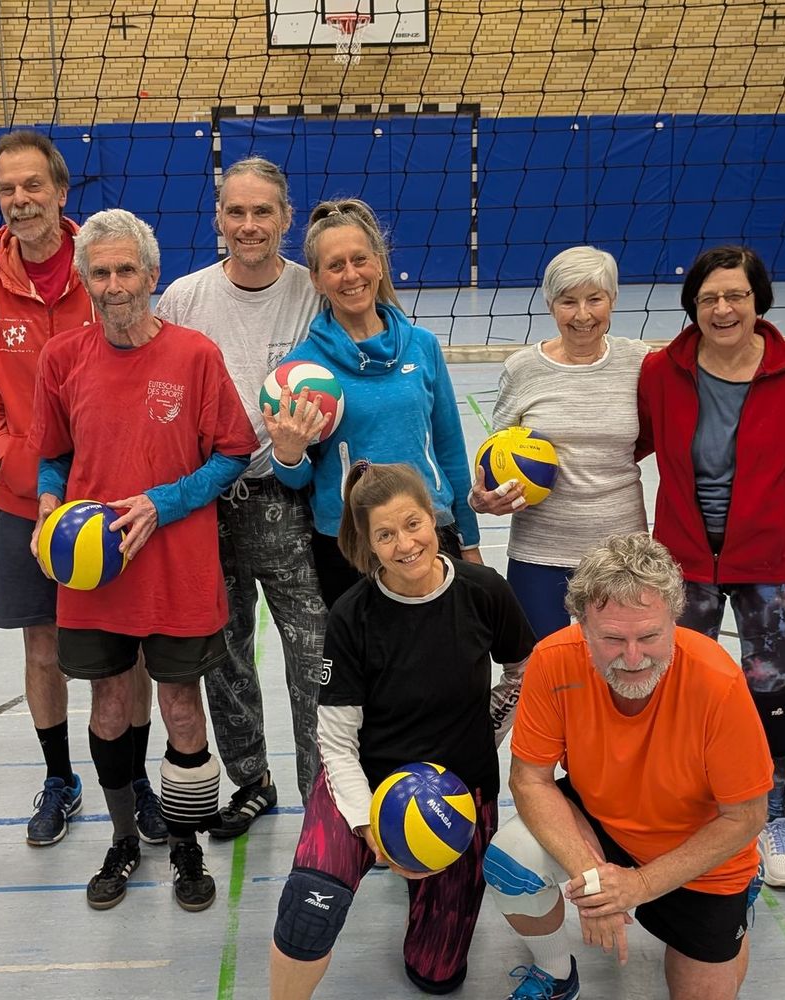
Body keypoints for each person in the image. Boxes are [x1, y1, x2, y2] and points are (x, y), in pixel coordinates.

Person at [31, 208, 256, 912]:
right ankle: (125, 839)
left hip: (175, 563)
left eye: (127, 269)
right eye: (99, 272)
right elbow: (54, 453)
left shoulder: (194, 355)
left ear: (152, 276)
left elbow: (233, 453)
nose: (114, 283)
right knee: (108, 702)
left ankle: (186, 845)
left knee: (182, 705)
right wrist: (46, 502)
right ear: (84, 281)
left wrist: (162, 501)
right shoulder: (62, 359)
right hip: (94, 570)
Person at [0, 130, 166, 849]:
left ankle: (135, 778)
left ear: (60, 192)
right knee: (41, 645)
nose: (21, 201)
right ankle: (60, 778)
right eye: (7, 189)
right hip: (26, 500)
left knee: (129, 649)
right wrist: (8, 452)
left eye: (32, 187)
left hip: (109, 501)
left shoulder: (102, 262)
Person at [269, 461, 535, 998]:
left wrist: (486, 728)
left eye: (413, 524)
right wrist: (370, 825)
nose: (405, 543)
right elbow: (337, 742)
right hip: (366, 780)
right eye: (385, 535)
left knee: (436, 976)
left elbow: (525, 671)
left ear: (433, 518)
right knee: (308, 909)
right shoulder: (352, 615)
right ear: (367, 544)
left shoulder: (485, 591)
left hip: (458, 794)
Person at [484, 533, 772, 1000]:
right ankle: (556, 974)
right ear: (582, 627)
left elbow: (746, 816)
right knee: (511, 863)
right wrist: (596, 884)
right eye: (613, 638)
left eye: (650, 636)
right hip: (601, 820)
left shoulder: (717, 683)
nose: (634, 658)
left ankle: (744, 892)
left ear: (673, 620)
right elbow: (529, 779)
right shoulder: (554, 661)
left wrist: (638, 885)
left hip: (696, 854)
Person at [634, 244, 785, 890]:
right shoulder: (662, 372)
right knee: (681, 693)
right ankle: (692, 812)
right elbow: (624, 441)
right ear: (693, 307)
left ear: (758, 301)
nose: (723, 309)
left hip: (769, 563)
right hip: (684, 563)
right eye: (710, 298)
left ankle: (771, 817)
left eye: (737, 296)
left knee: (770, 695)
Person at [156, 156, 327, 830]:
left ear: (286, 218)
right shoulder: (185, 299)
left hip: (294, 500)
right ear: (218, 218)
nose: (249, 225)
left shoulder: (315, 291)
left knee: (313, 657)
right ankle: (252, 778)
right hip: (209, 506)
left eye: (263, 212)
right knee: (224, 657)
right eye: (237, 211)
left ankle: (327, 798)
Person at [266, 198, 481, 607]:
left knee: (444, 662)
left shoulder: (422, 346)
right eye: (335, 265)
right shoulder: (300, 371)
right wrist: (289, 455)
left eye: (360, 259)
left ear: (379, 264)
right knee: (370, 669)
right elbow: (297, 478)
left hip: (429, 531)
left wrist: (469, 541)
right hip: (350, 545)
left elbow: (450, 451)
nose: (351, 275)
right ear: (315, 278)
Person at [467, 247, 649, 639]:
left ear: (613, 300)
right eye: (568, 301)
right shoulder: (523, 369)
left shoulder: (640, 362)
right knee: (540, 670)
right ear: (550, 305)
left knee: (620, 667)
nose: (582, 315)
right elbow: (494, 456)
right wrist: (482, 499)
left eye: (594, 299)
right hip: (539, 552)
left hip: (621, 552)